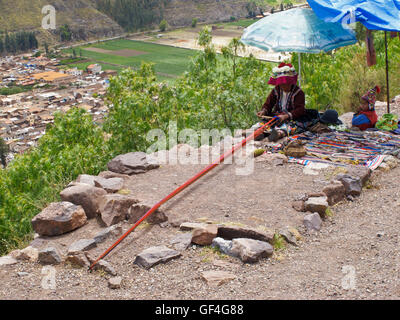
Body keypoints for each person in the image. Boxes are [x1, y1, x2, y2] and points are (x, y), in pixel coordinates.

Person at [257, 63, 306, 141]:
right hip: (277, 118)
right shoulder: (276, 90)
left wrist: (286, 116)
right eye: (281, 85)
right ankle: (260, 133)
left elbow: (300, 110)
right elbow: (268, 104)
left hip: (292, 119)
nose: (284, 87)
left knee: (292, 127)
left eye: (286, 84)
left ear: (291, 82)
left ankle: (278, 134)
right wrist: (263, 111)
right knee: (264, 124)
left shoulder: (299, 93)